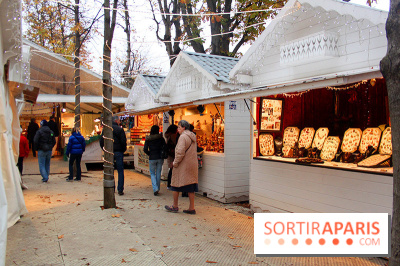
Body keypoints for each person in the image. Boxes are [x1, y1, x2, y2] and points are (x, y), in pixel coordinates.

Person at [165, 120, 198, 215]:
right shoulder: (192, 136)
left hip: (183, 165)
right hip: (192, 164)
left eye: (179, 127)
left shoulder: (183, 137)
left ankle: (175, 206)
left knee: (175, 185)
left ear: (183, 128)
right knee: (191, 186)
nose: (178, 129)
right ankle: (191, 208)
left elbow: (180, 153)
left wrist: (175, 163)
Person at [100, 116, 127, 195]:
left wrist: (104, 149)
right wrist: (123, 149)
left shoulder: (106, 129)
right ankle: (120, 189)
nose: (119, 121)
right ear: (115, 120)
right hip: (119, 152)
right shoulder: (120, 129)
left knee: (110, 170)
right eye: (118, 120)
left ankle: (111, 187)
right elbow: (123, 141)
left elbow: (101, 141)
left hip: (109, 152)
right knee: (120, 171)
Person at [144, 125, 166, 196]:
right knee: (158, 173)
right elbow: (165, 147)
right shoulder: (161, 138)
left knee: (152, 173)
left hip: (152, 157)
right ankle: (157, 188)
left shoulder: (148, 138)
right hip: (160, 157)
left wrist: (149, 154)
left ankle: (155, 188)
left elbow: (145, 149)